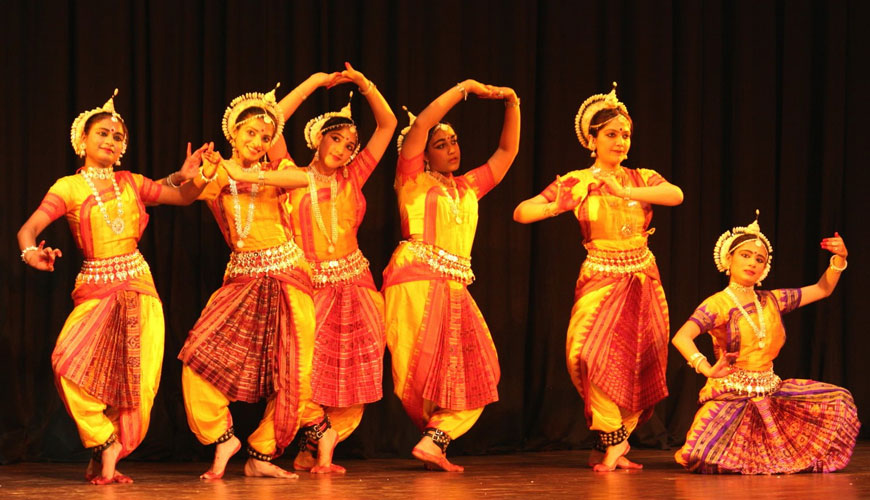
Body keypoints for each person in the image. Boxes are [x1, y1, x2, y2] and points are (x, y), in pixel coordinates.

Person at [16, 90, 208, 484]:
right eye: (102, 133)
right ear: (82, 141)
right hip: (95, 287)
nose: (109, 140)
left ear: (123, 148)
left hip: (139, 286)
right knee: (66, 363)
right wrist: (31, 252)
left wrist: (195, 176)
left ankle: (109, 461)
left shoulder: (132, 182)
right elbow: (29, 228)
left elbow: (183, 197)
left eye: (117, 137)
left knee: (137, 380)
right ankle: (104, 441)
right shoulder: (68, 187)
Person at [513, 83, 684, 471]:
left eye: (625, 134)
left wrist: (622, 190)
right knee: (585, 355)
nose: (620, 141)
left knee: (639, 359)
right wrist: (561, 202)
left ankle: (615, 442)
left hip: (642, 274)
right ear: (592, 140)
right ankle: (613, 439)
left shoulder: (641, 179)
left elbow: (676, 196)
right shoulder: (577, 180)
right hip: (600, 275)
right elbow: (522, 213)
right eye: (611, 134)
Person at [177, 85, 336, 479]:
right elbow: (187, 191)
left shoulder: (275, 174)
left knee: (296, 370)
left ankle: (262, 454)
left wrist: (245, 170)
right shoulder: (219, 173)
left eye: (265, 137)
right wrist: (196, 173)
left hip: (287, 274)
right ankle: (223, 437)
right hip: (242, 279)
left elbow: (308, 180)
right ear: (233, 134)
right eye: (250, 133)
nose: (258, 141)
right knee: (197, 359)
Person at [382, 79, 520, 472]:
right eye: (441, 144)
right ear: (422, 154)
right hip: (414, 282)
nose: (452, 149)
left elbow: (507, 152)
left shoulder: (468, 187)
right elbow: (422, 124)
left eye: (454, 141)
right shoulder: (411, 179)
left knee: (477, 371)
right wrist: (464, 90)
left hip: (455, 286)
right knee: (417, 374)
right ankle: (432, 439)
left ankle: (434, 439)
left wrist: (512, 104)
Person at [270, 64, 397, 473]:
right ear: (319, 137)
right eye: (337, 139)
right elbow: (272, 123)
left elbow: (388, 124)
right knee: (305, 370)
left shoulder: (353, 176)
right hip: (308, 285)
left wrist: (365, 84)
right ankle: (314, 436)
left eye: (350, 145)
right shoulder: (290, 173)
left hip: (356, 284)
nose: (343, 149)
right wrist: (312, 83)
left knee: (355, 373)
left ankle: (320, 451)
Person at [672, 212, 859, 473]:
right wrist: (706, 369)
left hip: (771, 392)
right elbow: (682, 337)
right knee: (701, 455)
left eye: (759, 259)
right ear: (729, 259)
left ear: (764, 268)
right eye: (745, 255)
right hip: (731, 394)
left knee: (839, 401)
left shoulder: (772, 300)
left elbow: (822, 289)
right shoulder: (717, 304)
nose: (752, 263)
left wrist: (840, 259)